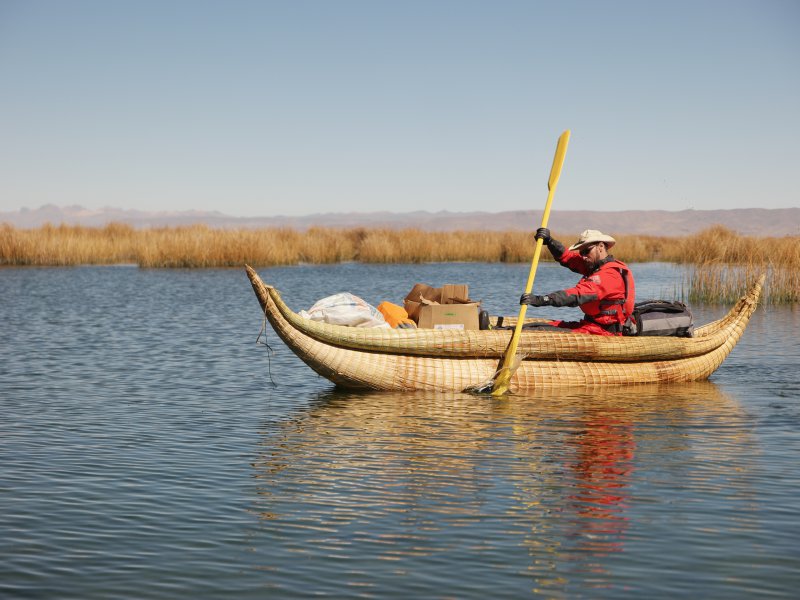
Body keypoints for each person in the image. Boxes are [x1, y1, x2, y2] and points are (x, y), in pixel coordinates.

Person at [519, 228, 635, 336]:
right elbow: (568, 257)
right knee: (533, 326)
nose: (583, 257)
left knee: (537, 331)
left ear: (600, 246)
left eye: (587, 251)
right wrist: (550, 241)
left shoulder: (609, 275)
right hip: (591, 326)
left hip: (604, 332)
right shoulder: (594, 266)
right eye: (581, 253)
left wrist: (542, 300)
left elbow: (577, 295)